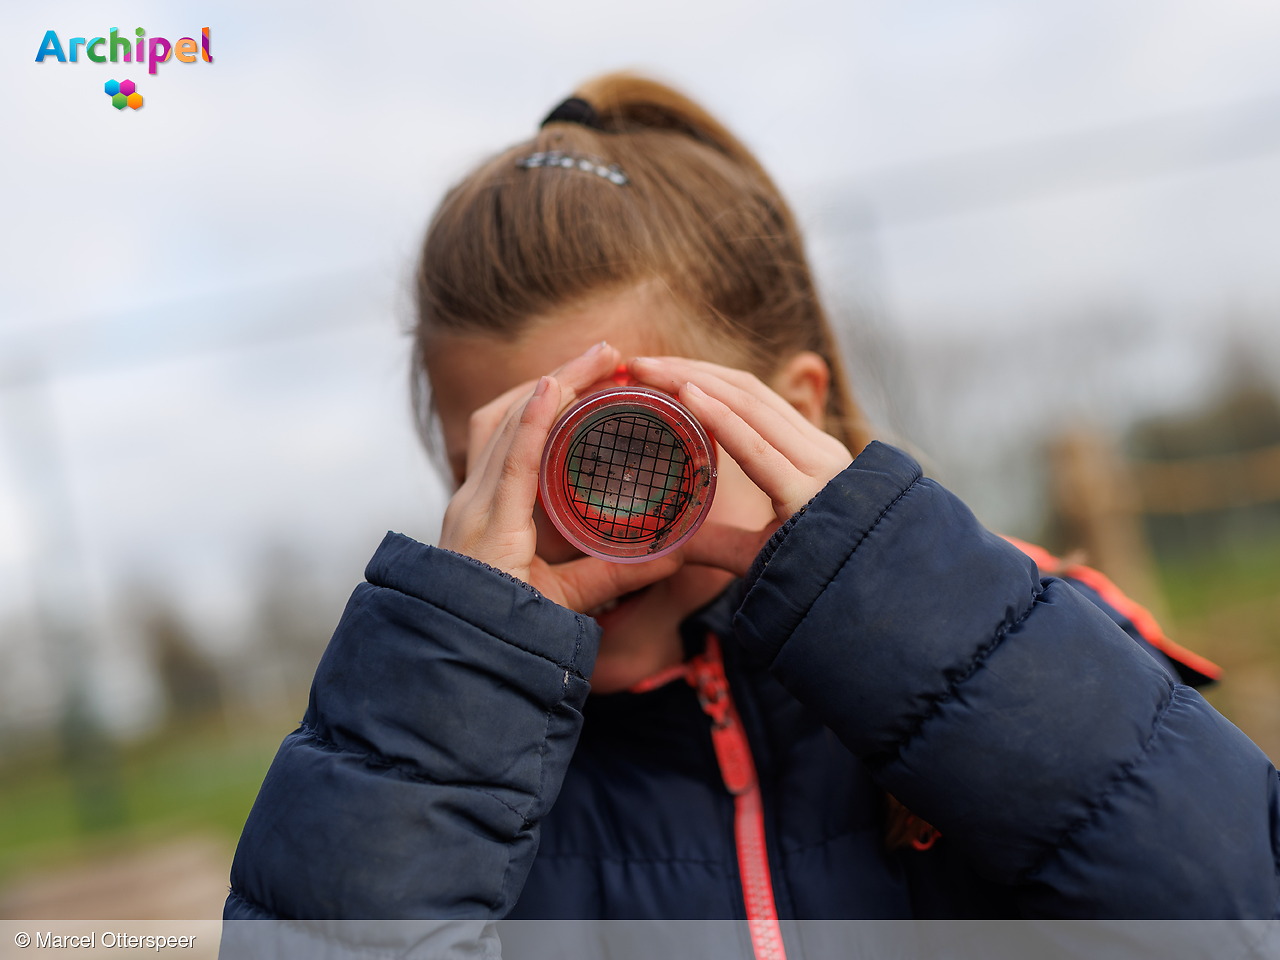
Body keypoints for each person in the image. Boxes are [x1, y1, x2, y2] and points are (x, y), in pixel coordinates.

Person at [222, 73, 1279, 955]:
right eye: (504, 468)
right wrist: (432, 721)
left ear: (795, 412)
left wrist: (914, 621)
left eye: (623, 450)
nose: (581, 532)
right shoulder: (454, 793)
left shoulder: (1023, 655)